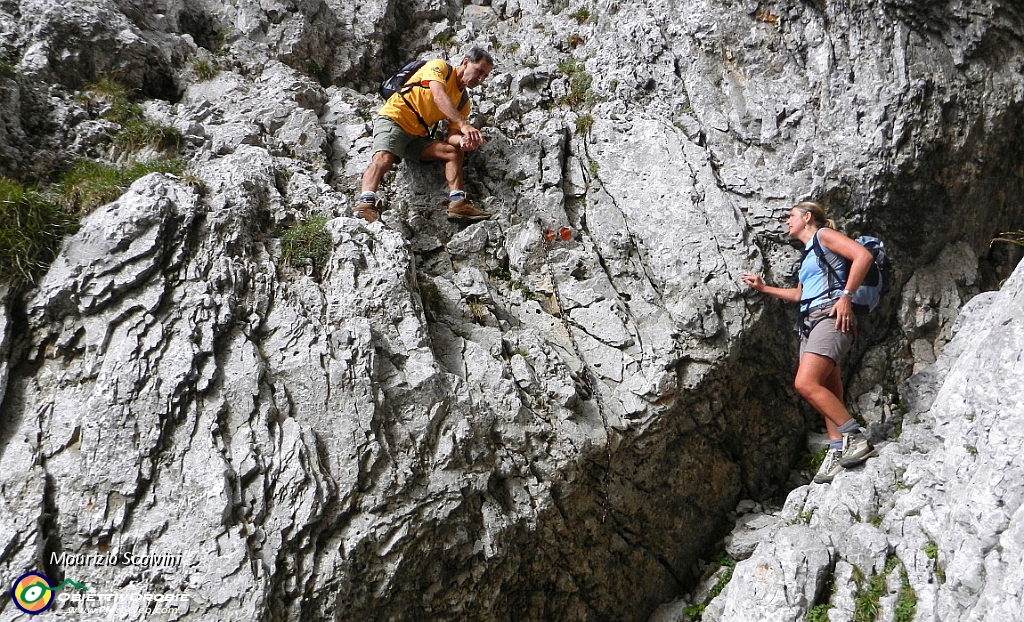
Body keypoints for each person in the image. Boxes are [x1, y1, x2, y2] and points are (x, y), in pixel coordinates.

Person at [741, 201, 878, 484]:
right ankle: (837, 448)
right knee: (828, 387)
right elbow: (800, 295)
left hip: (831, 315)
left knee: (805, 383)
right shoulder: (808, 256)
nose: (786, 222)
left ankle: (855, 437)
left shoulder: (824, 237)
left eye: (790, 216)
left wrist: (846, 297)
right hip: (811, 322)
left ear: (807, 217)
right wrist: (764, 288)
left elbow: (863, 256)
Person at [354, 47, 495, 224]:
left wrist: (463, 140)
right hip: (395, 118)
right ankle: (365, 204)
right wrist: (464, 124)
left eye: (485, 76)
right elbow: (438, 95)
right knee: (384, 157)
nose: (480, 79)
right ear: (466, 63)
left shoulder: (463, 101)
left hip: (417, 136)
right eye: (479, 71)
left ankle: (458, 203)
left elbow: (452, 136)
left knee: (453, 151)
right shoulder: (439, 67)